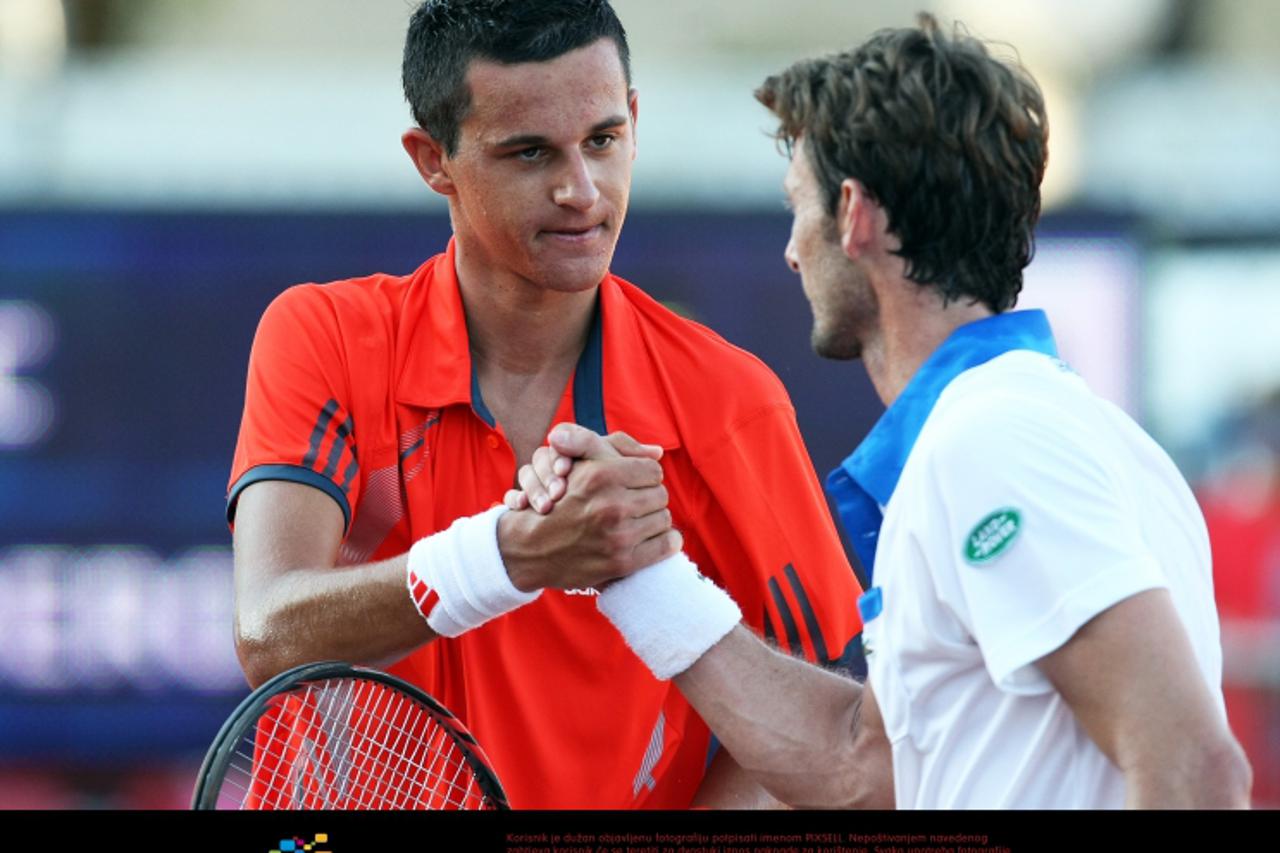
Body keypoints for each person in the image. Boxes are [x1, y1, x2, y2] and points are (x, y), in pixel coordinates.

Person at [513, 14, 1252, 808]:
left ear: (854, 213)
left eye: (800, 207)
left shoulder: (991, 439)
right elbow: (859, 761)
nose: (793, 250)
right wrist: (640, 569)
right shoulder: (1060, 432)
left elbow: (1196, 768)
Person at [226, 0, 862, 809]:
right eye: (530, 152)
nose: (581, 189)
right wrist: (510, 556)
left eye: (603, 140)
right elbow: (268, 632)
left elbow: (816, 712)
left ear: (634, 121)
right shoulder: (323, 334)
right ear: (433, 160)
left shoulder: (730, 398)